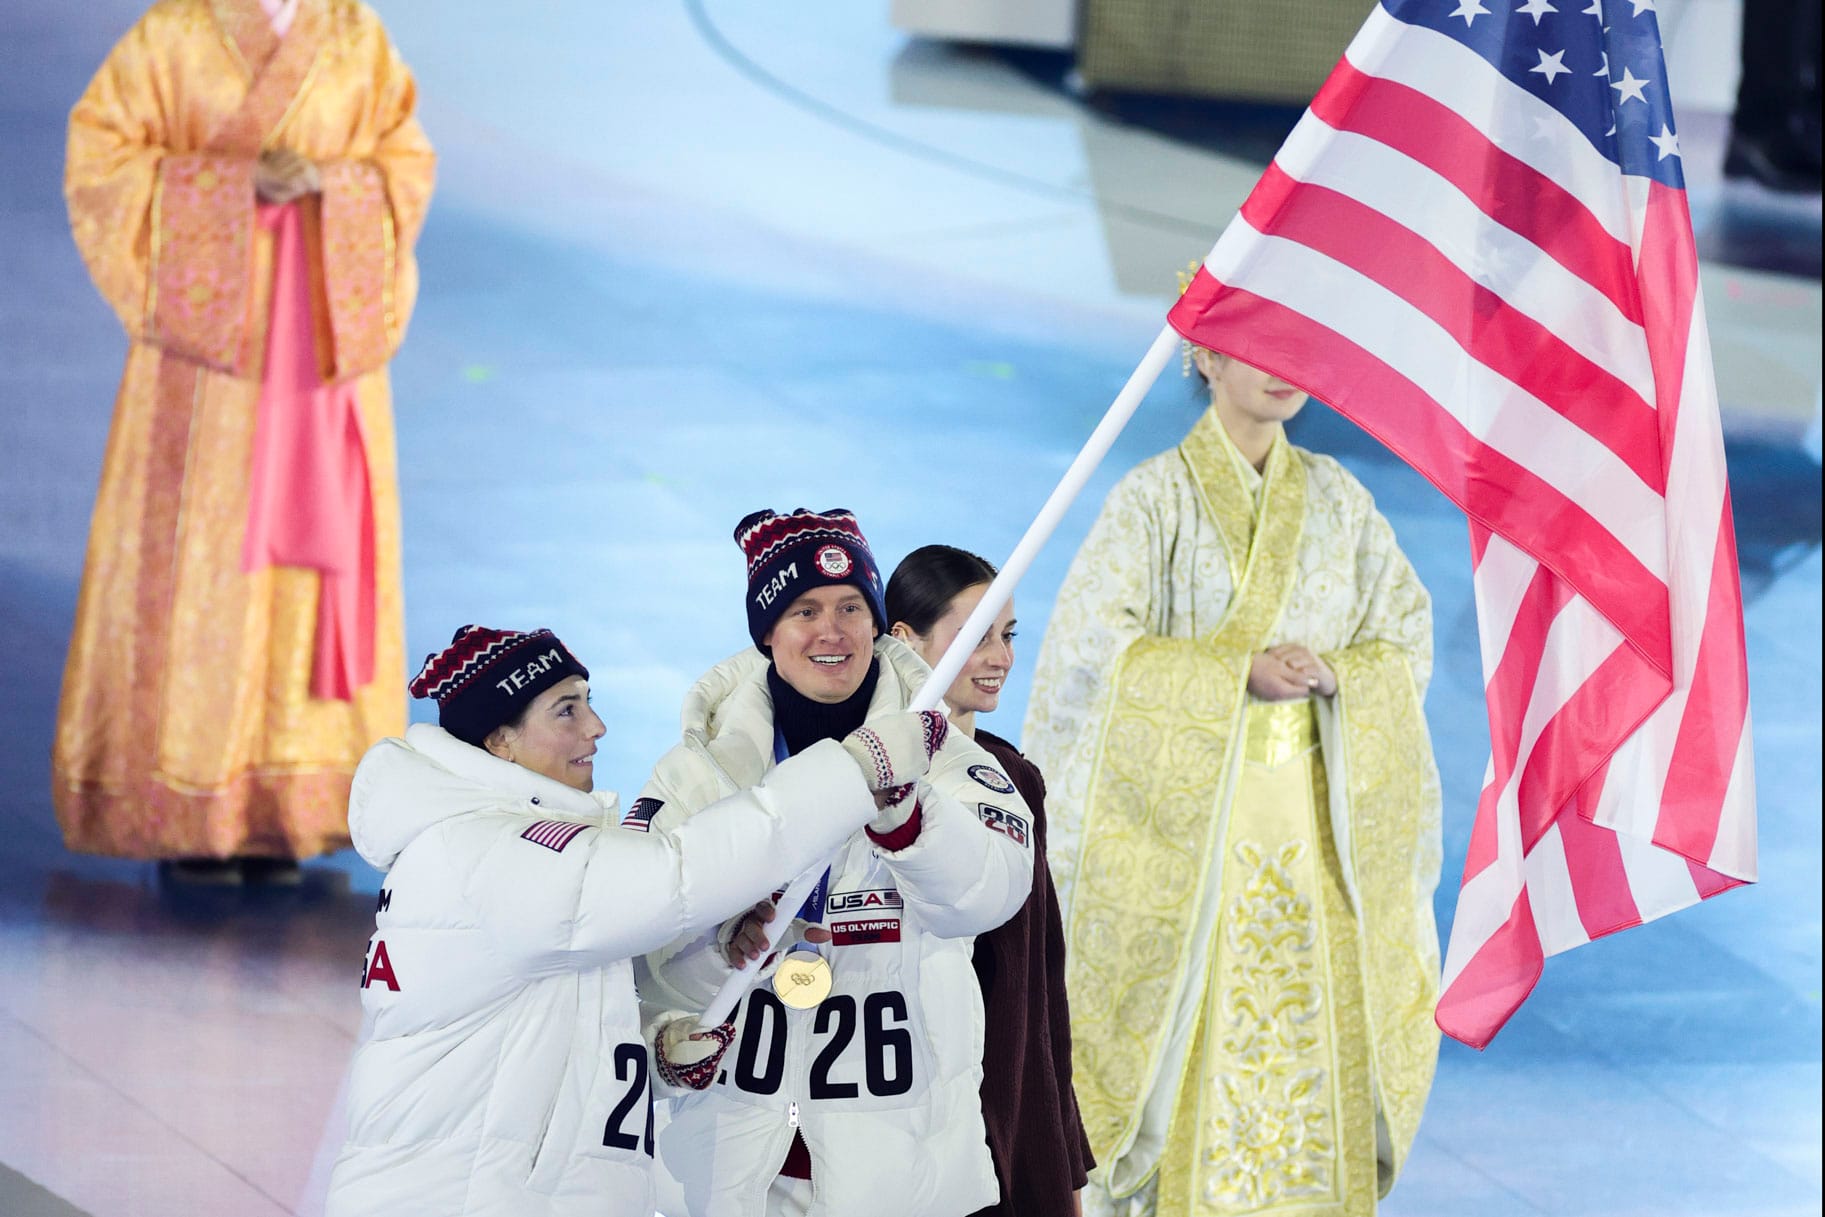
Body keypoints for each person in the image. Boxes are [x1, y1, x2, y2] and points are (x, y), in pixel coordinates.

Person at [325, 623, 946, 1217]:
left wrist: (655, 1047)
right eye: (565, 710)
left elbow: (545, 1030)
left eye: (588, 703)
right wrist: (850, 769)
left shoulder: (490, 847)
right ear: (498, 740)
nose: (596, 727)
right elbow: (679, 877)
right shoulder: (491, 852)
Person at [1023, 341, 1444, 1217]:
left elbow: (1402, 632)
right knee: (1184, 1041)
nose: (1280, 366)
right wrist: (1232, 674)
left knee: (1310, 1046)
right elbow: (1089, 654)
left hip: (1312, 833)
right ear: (1203, 358)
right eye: (1252, 345)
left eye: (1295, 343)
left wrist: (1336, 674)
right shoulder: (1153, 499)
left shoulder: (1338, 499)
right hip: (1191, 846)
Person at [55, 0, 436, 883]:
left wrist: (331, 187)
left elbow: (403, 162)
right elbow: (101, 156)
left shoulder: (353, 33)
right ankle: (194, 803)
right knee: (207, 556)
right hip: (210, 371)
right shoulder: (175, 33)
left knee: (312, 566)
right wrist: (230, 186)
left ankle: (290, 809)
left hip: (320, 345)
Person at [636, 508, 1037, 1217]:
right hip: (735, 1170)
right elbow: (645, 951)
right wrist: (667, 1043)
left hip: (901, 1170)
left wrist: (911, 820)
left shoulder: (939, 749)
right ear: (767, 632)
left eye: (852, 606)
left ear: (877, 622)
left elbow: (991, 892)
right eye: (805, 609)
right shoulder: (694, 773)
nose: (833, 629)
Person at [886, 544, 1095, 1217]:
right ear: (904, 641)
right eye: (976, 637)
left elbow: (1036, 987)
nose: (1001, 657)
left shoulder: (1014, 782)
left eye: (1006, 635)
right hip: (885, 1107)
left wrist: (1062, 1154)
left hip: (995, 1113)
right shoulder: (843, 775)